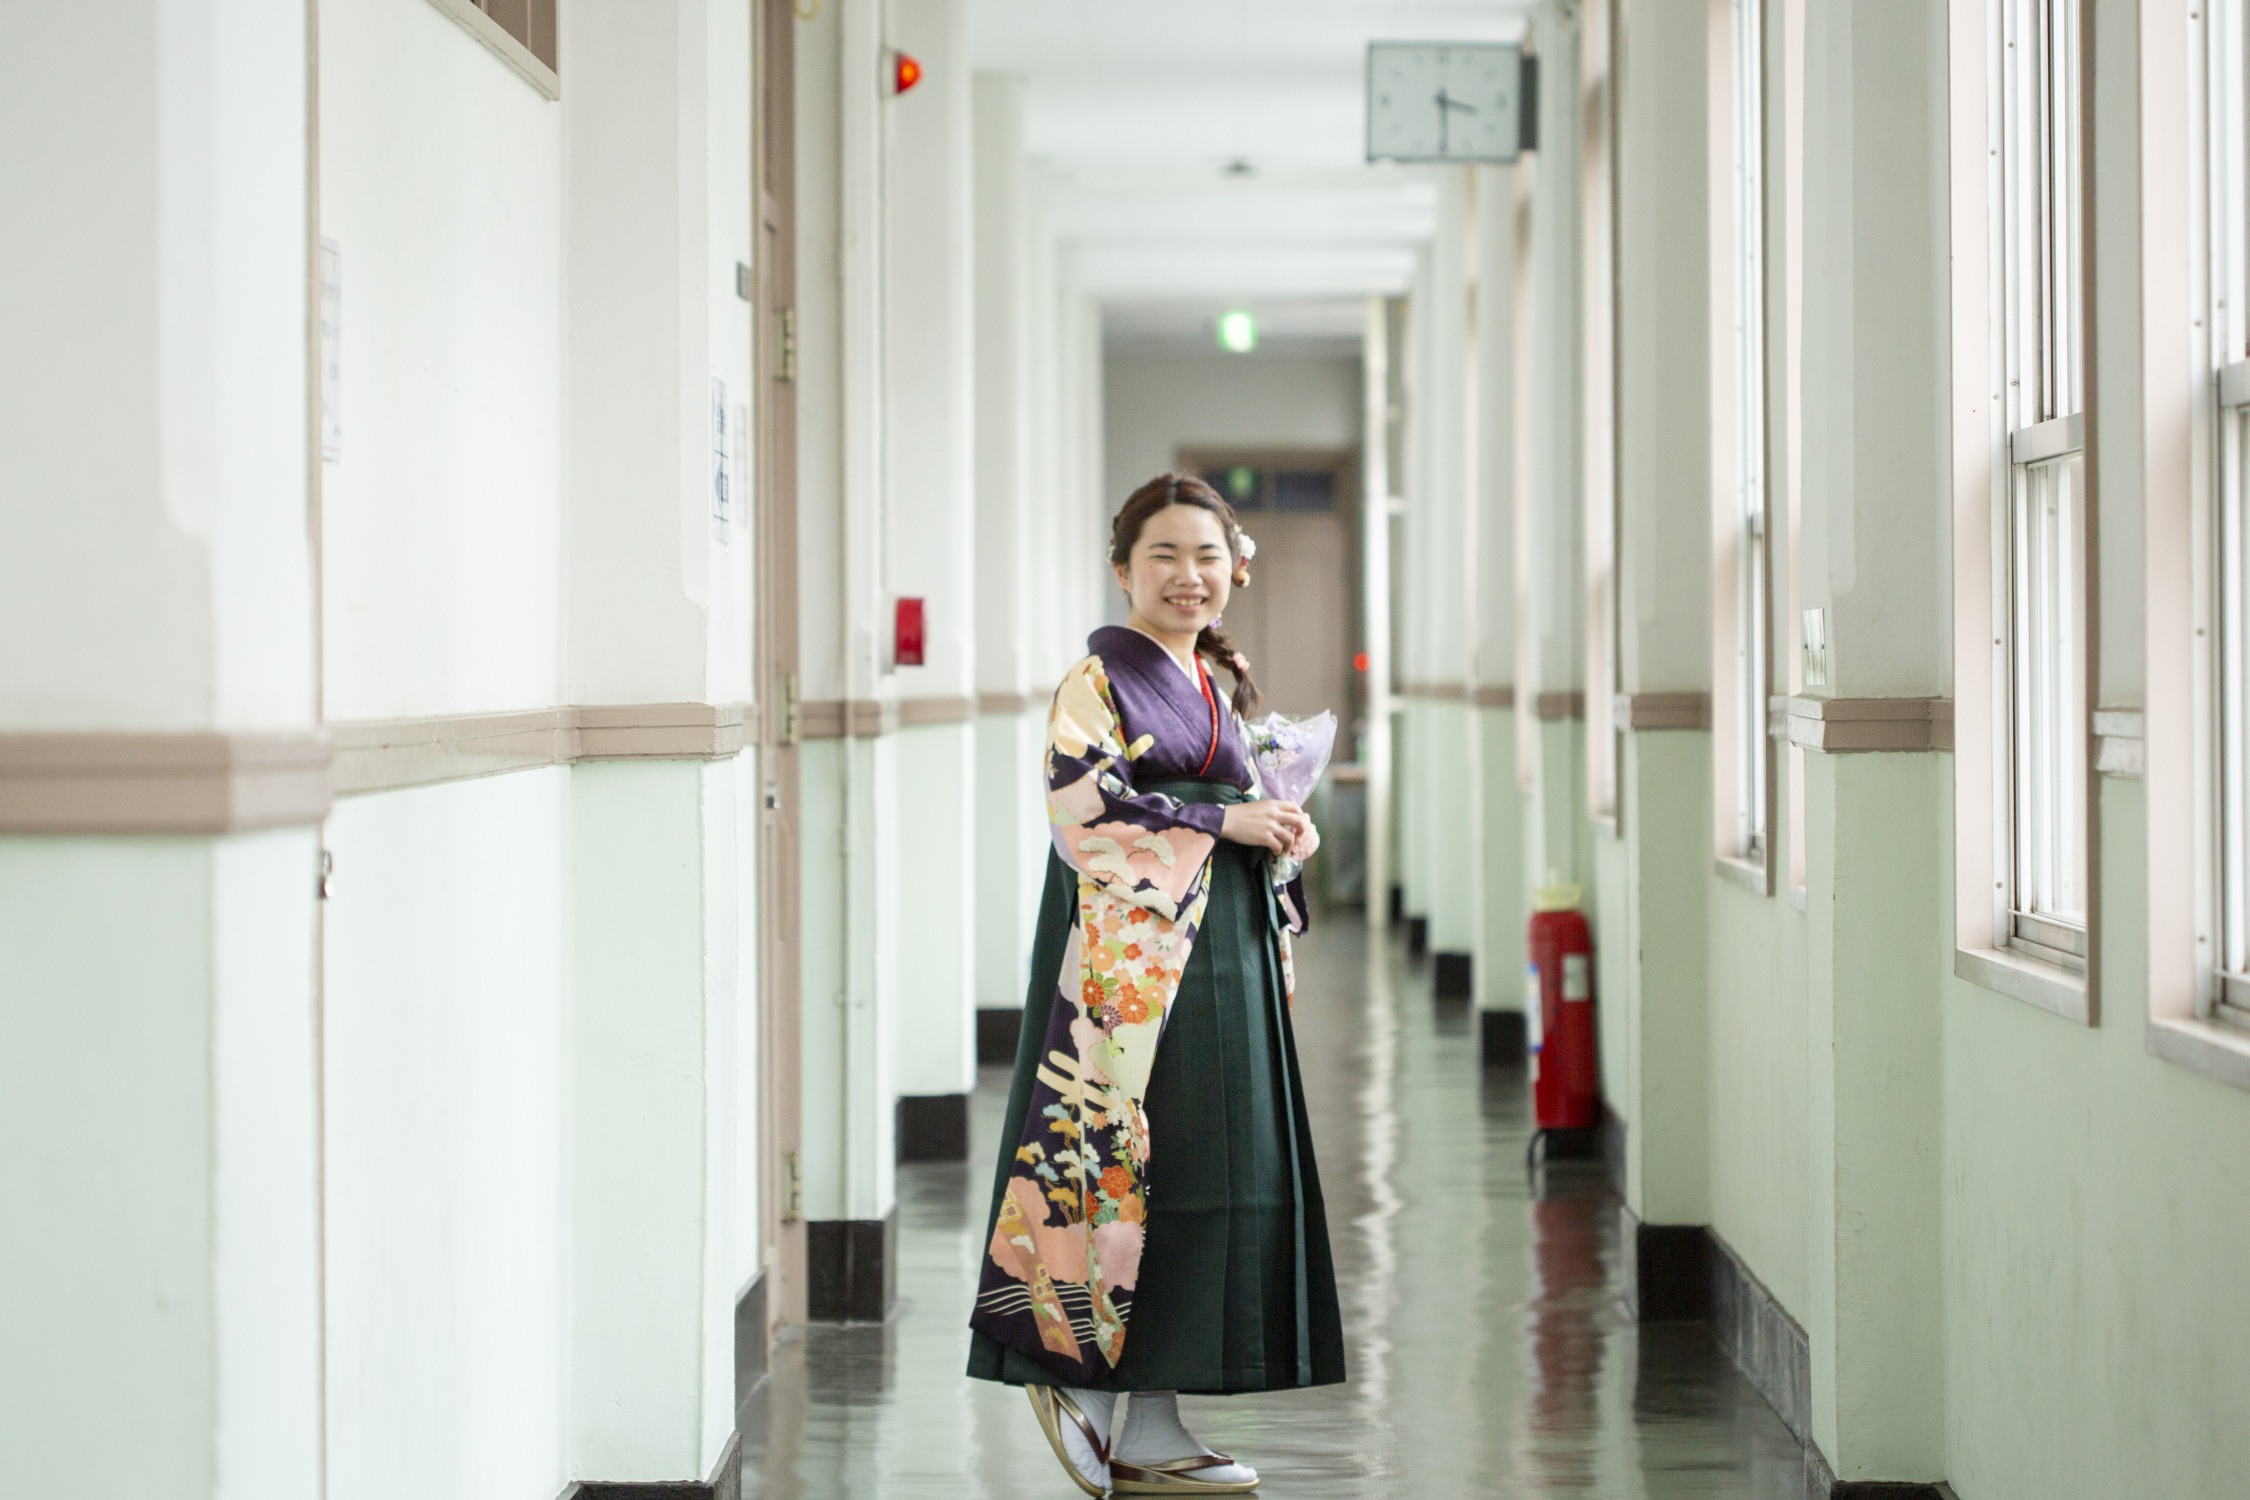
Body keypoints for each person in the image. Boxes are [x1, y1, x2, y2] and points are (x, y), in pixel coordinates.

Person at [966, 473, 1346, 1495]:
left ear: (1235, 568)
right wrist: (1224, 820)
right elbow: (1082, 813)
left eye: (1206, 555)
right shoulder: (1096, 682)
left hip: (1222, 949)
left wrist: (1280, 831)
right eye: (1164, 555)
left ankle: (1155, 1419)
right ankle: (1076, 1378)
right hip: (1129, 966)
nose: (1188, 575)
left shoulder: (1215, 680)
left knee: (1210, 1164)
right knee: (1121, 1156)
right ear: (1122, 568)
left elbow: (1236, 803)